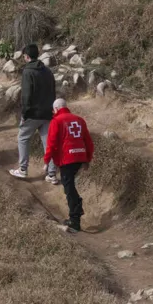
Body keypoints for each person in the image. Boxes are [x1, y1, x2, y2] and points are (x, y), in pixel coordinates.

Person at [9, 44, 58, 183]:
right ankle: (52, 174)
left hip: (33, 114)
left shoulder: (27, 72)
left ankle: (23, 169)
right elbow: (53, 91)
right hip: (48, 113)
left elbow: (26, 95)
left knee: (23, 138)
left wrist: (24, 114)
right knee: (48, 144)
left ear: (26, 56)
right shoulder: (48, 71)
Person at [44, 98, 94, 233]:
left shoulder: (56, 121)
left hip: (67, 158)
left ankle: (75, 219)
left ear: (55, 109)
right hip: (80, 157)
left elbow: (52, 143)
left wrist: (46, 160)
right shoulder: (79, 120)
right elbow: (88, 141)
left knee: (69, 187)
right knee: (70, 185)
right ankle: (76, 212)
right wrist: (87, 159)